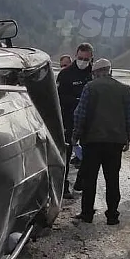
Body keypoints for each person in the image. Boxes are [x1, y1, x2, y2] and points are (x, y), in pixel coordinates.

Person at [71, 58, 130, 225]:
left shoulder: (90, 87)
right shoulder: (124, 89)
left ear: (95, 73)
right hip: (115, 142)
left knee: (90, 179)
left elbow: (80, 115)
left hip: (92, 141)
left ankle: (87, 214)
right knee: (112, 179)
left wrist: (75, 136)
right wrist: (127, 138)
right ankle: (112, 215)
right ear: (110, 70)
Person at [57, 43, 94, 198]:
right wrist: (78, 100)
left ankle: (80, 182)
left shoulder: (94, 74)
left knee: (89, 155)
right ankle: (62, 185)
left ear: (91, 58)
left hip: (90, 121)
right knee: (65, 154)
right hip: (69, 119)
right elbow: (58, 97)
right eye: (80, 58)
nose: (83, 61)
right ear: (76, 55)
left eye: (86, 59)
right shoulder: (65, 74)